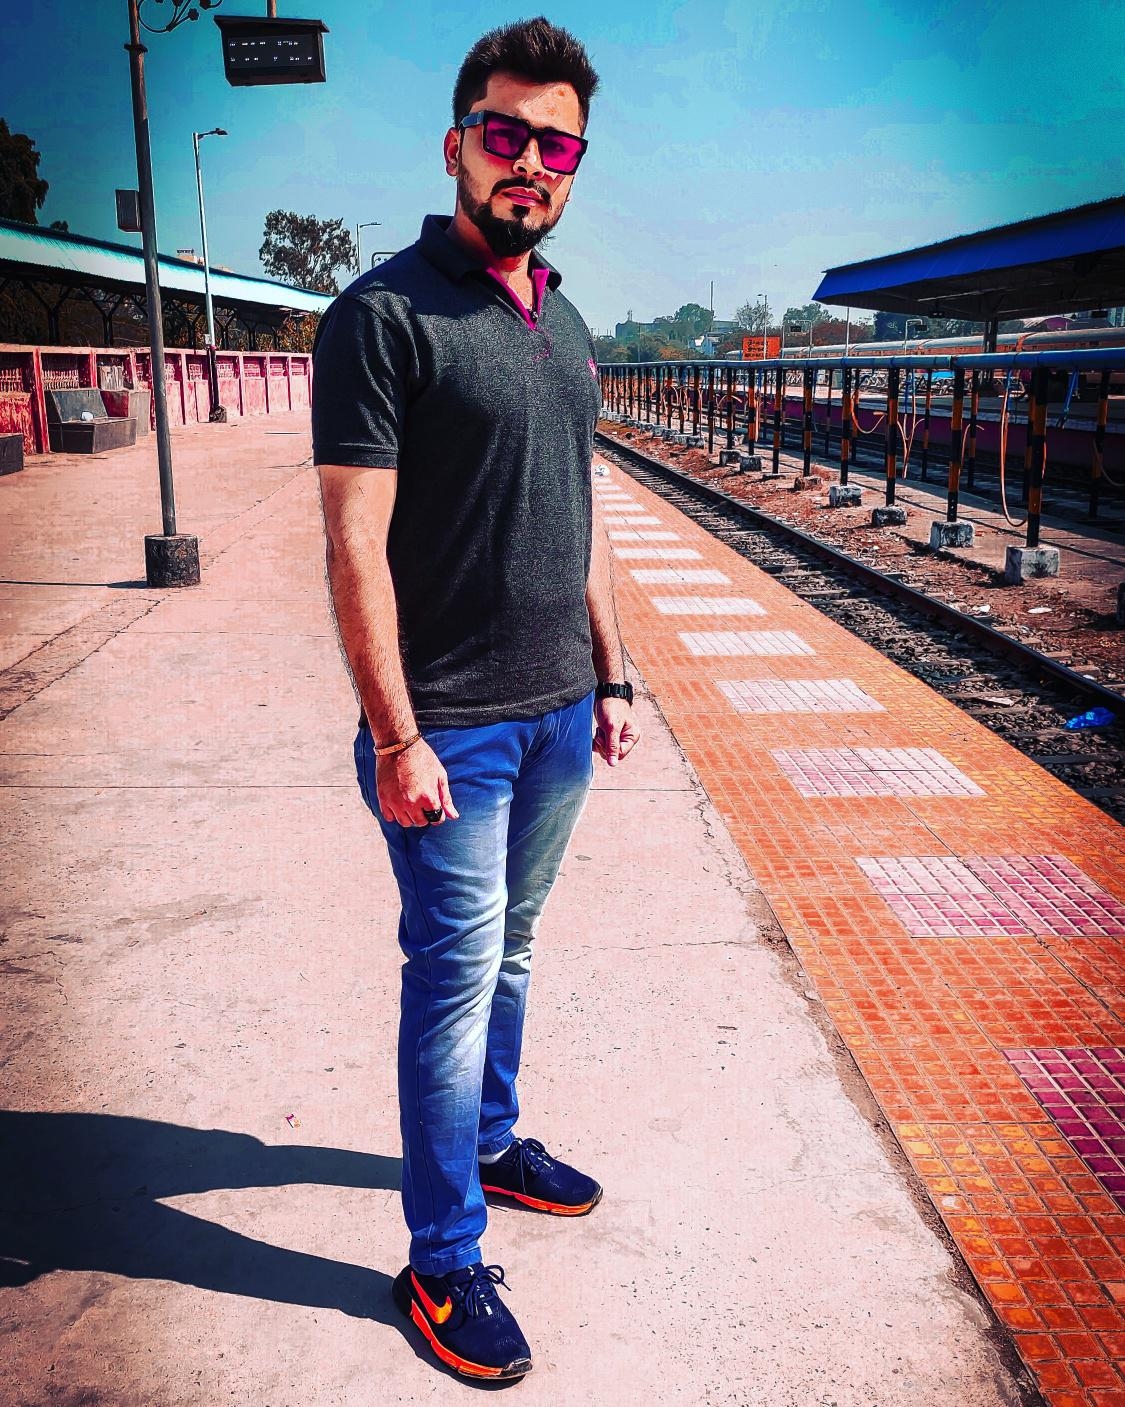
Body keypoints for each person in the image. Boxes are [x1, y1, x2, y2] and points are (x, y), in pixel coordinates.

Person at [312, 16, 640, 1382]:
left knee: (512, 953)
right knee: (451, 984)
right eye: (506, 134)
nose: (531, 162)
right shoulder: (380, 317)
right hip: (448, 727)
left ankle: (495, 1146)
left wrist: (611, 672)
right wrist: (397, 737)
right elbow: (353, 548)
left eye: (557, 145)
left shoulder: (564, 320)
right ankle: (441, 1260)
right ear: (457, 143)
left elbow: (583, 514)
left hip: (560, 714)